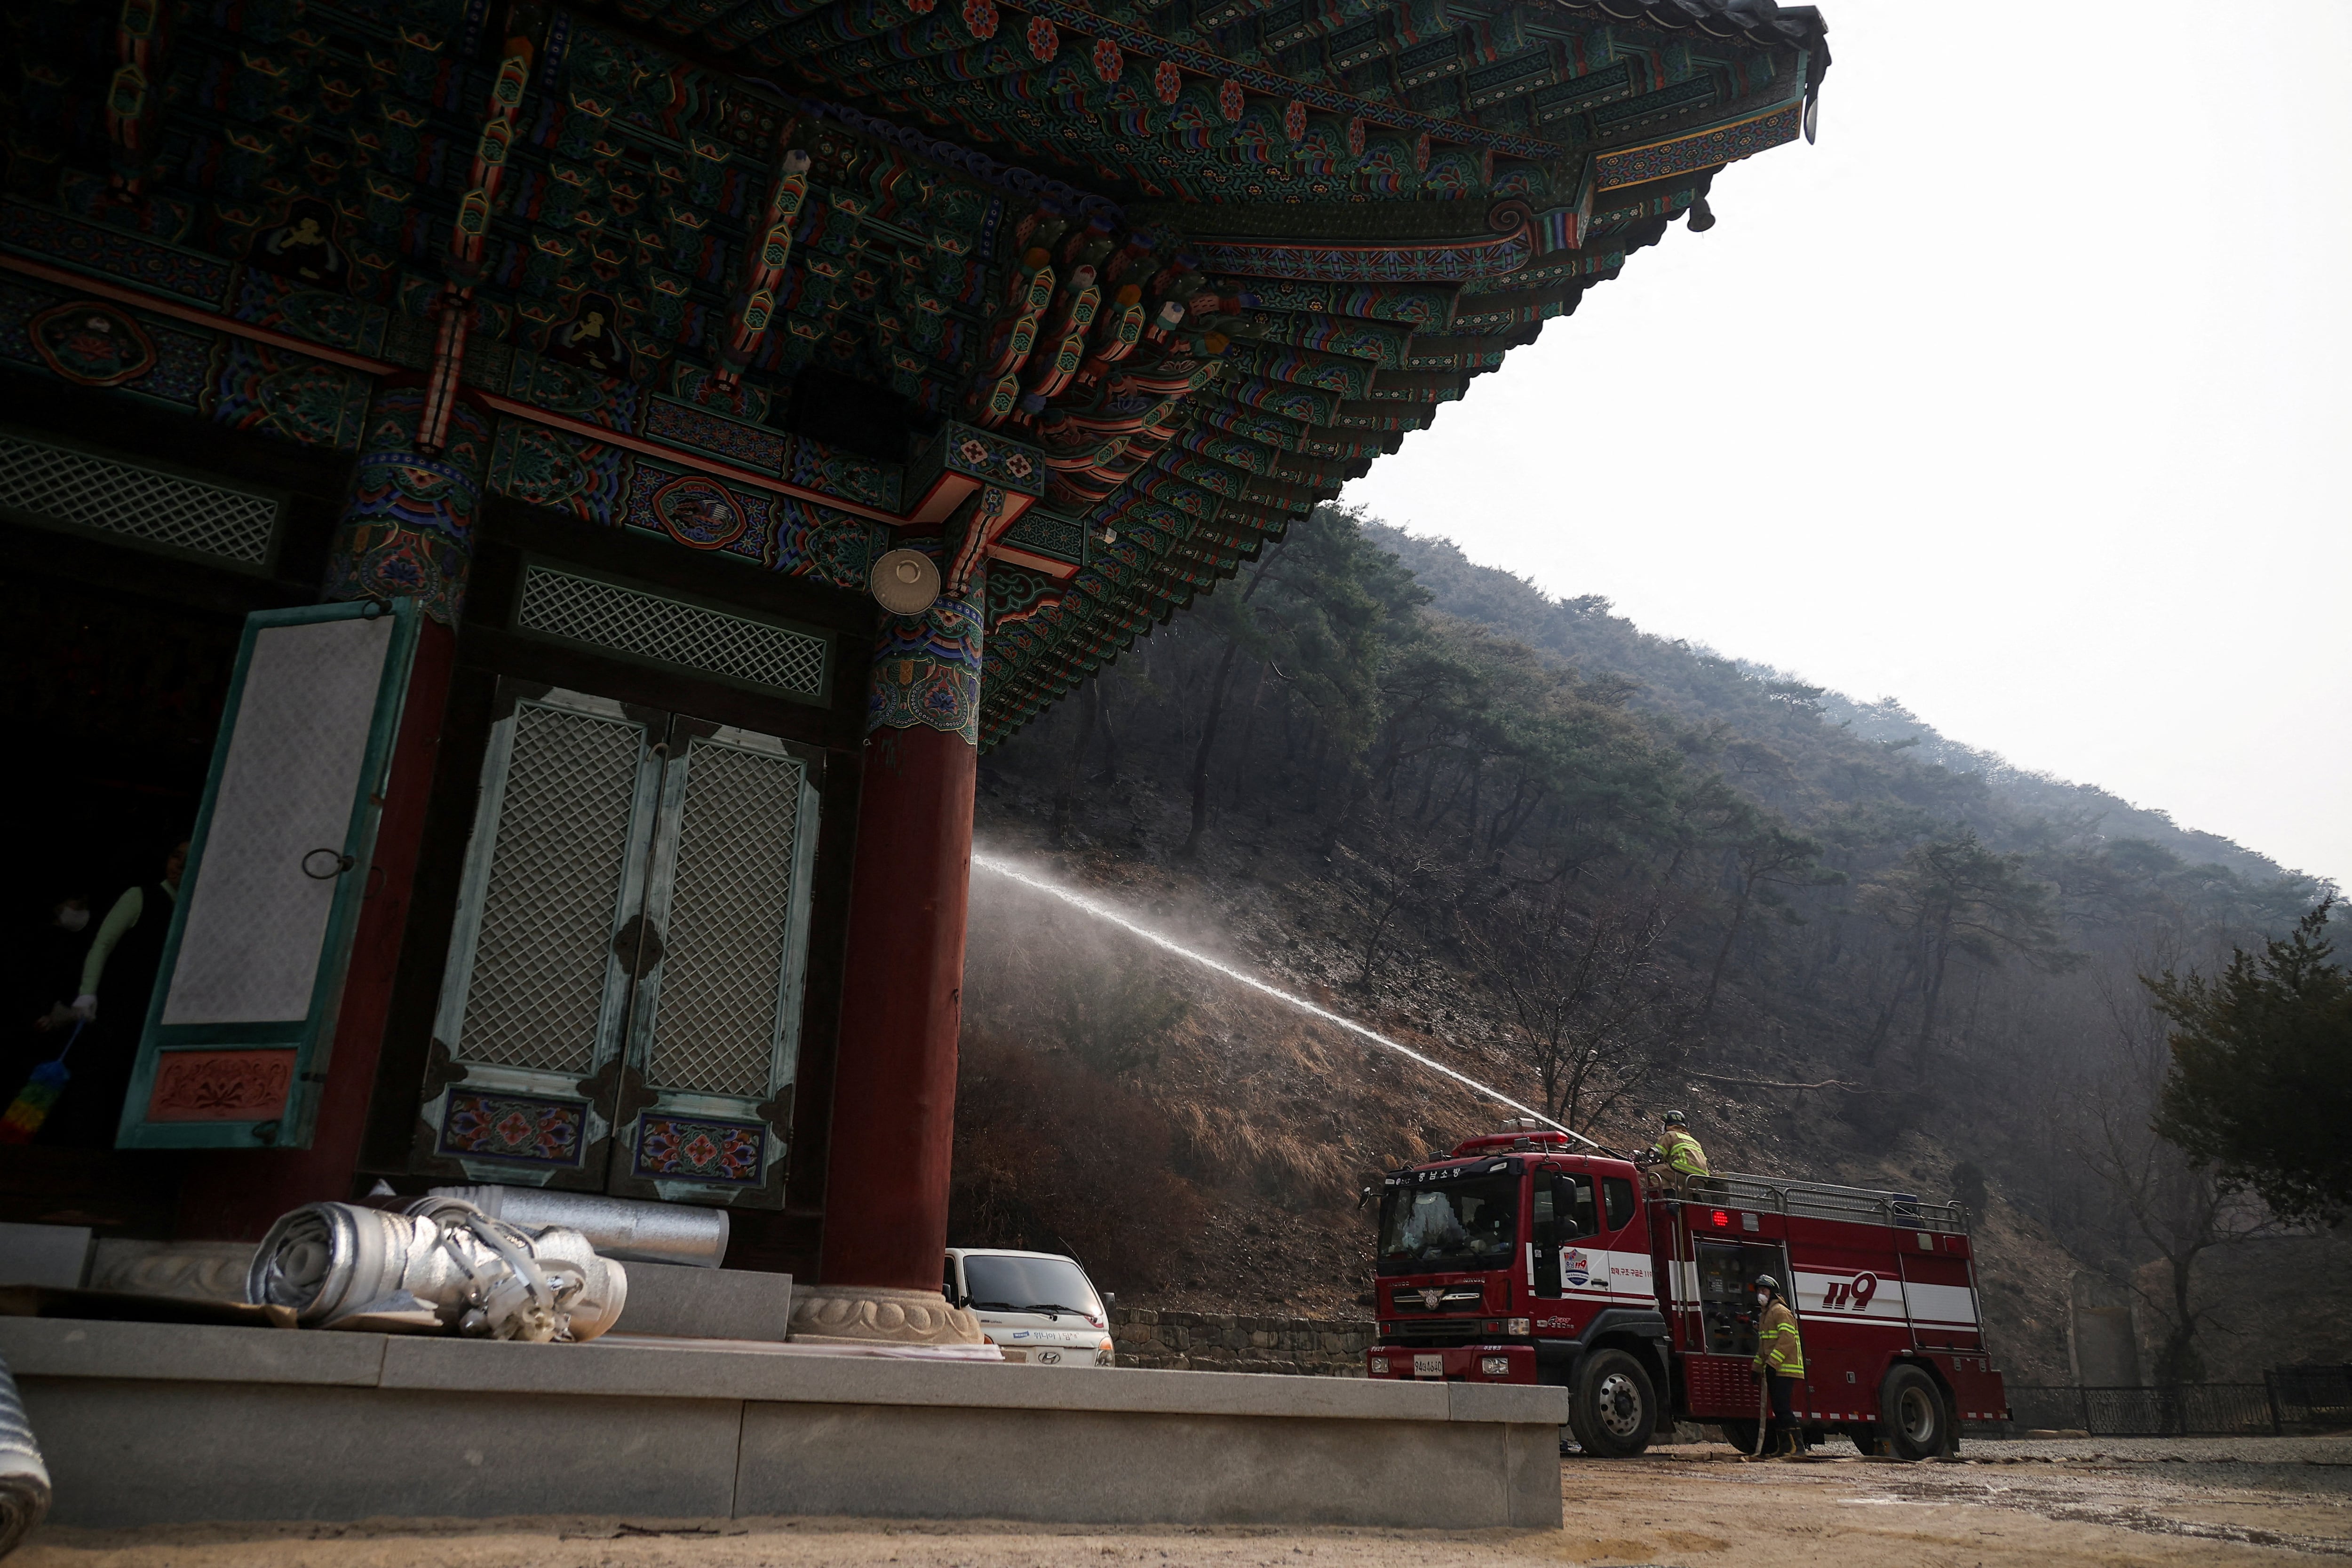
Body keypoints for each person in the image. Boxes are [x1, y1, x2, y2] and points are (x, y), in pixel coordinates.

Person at [36, 841, 185, 1145]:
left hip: (157, 1015)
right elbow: (102, 945)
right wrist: (87, 994)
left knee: (133, 1086)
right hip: (114, 1008)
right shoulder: (140, 896)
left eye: (189, 860)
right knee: (95, 1081)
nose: (179, 866)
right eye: (176, 857)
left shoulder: (194, 908)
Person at [1748, 1273, 1806, 1459]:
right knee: (1778, 1410)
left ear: (1772, 1293)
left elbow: (1787, 1340)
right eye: (1759, 1291)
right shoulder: (1765, 1315)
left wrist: (1773, 1364)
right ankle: (1785, 1448)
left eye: (1764, 1290)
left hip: (1785, 1369)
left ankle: (1798, 1448)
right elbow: (1764, 1347)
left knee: (1783, 1408)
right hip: (1775, 1369)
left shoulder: (1780, 1312)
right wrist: (1756, 1369)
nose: (1760, 1294)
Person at [1644, 1110, 1710, 1194]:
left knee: (1652, 1170)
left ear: (1668, 1125)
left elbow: (1658, 1156)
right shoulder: (1694, 1141)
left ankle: (1669, 1194)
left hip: (1684, 1172)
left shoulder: (1670, 1135)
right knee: (1683, 1200)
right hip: (1702, 1178)